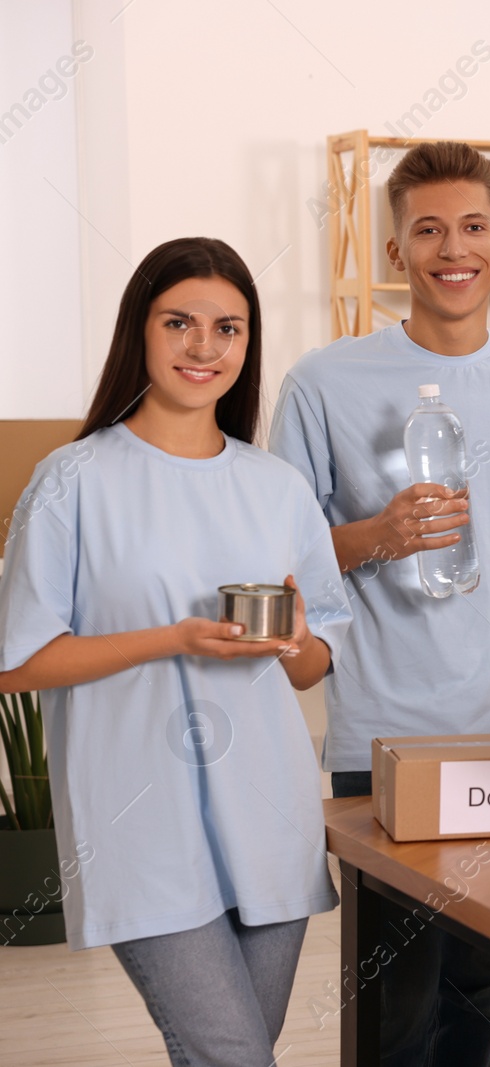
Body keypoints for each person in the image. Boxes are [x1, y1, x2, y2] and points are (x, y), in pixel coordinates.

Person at [270, 142, 490, 1064]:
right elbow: (285, 566)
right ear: (396, 253)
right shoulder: (322, 384)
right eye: (427, 229)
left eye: (470, 227)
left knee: (475, 992)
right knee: (397, 1007)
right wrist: (377, 536)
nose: (451, 248)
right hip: (385, 736)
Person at [0, 237, 351, 1064]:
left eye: (228, 327)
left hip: (270, 818)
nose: (205, 347)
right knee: (233, 1054)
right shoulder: (75, 479)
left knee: (228, 1055)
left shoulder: (277, 486)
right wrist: (175, 637)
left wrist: (297, 637)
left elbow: (316, 657)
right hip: (140, 824)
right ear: (140, 331)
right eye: (180, 322)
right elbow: (18, 660)